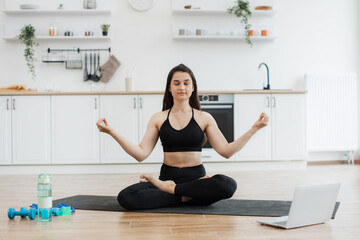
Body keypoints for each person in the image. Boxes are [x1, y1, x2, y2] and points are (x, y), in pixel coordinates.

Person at [96, 64, 269, 210]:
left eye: (186, 83)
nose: (182, 87)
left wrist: (254, 129)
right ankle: (186, 196)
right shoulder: (158, 118)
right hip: (167, 178)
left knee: (228, 184)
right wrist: (112, 132)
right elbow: (140, 154)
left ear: (193, 87)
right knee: (126, 196)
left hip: (196, 179)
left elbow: (226, 151)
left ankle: (173, 191)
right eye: (176, 83)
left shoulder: (204, 117)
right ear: (169, 88)